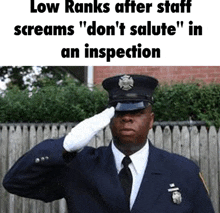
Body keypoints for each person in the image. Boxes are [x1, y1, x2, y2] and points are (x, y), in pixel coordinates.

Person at [3, 74, 214, 213]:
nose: (127, 118)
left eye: (137, 112)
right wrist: (65, 145)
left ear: (151, 120)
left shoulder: (183, 171)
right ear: (108, 119)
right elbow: (16, 182)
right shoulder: (80, 165)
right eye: (119, 112)